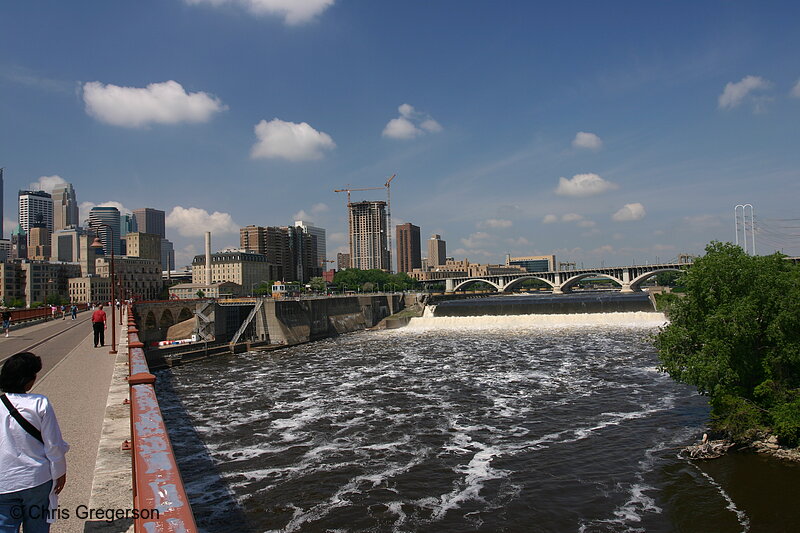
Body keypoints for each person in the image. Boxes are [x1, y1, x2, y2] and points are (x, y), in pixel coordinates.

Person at [0, 352, 69, 532]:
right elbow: (53, 445)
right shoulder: (39, 403)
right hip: (36, 479)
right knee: (37, 527)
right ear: (27, 380)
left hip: (3, 482)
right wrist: (60, 472)